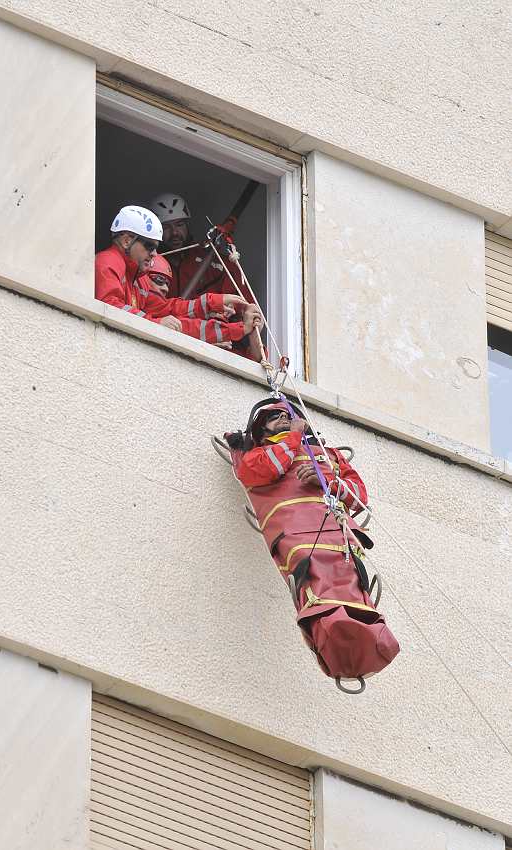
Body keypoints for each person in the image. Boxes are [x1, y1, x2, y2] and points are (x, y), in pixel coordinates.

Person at [225, 401, 400, 683]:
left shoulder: (327, 455)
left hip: (337, 533)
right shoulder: (258, 453)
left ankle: (367, 641)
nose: (283, 418)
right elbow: (263, 470)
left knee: (352, 586)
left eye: (288, 415)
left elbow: (358, 498)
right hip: (296, 534)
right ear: (260, 429)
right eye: (274, 417)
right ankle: (334, 644)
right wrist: (294, 437)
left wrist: (329, 481)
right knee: (315, 586)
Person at [95, 206, 262, 349]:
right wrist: (156, 324)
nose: (154, 254)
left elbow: (171, 311)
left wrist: (216, 307)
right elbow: (110, 307)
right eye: (149, 246)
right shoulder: (108, 261)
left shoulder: (138, 279)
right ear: (126, 241)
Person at [150, 192, 251, 301]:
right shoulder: (148, 265)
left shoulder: (219, 265)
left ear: (187, 225)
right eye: (166, 227)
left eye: (179, 225)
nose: (174, 232)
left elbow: (246, 308)